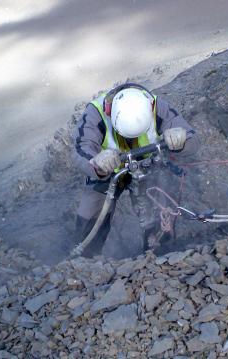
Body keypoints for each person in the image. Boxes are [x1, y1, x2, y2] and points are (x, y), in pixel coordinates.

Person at [73, 83, 199, 257]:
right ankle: (85, 258)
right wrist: (96, 163)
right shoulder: (96, 113)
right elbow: (82, 148)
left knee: (156, 209)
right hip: (108, 171)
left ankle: (159, 255)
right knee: (91, 210)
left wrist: (181, 140)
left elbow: (191, 139)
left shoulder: (157, 106)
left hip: (148, 167)